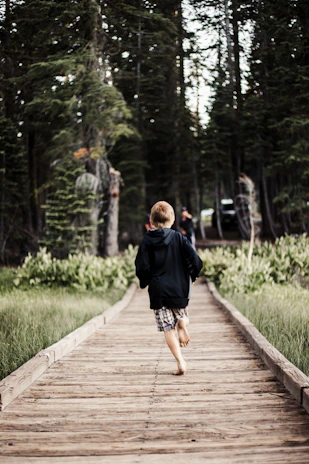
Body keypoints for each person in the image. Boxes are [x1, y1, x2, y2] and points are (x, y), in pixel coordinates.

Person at [135, 201, 203, 375]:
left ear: (152, 220)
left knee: (167, 329)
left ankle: (180, 362)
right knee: (183, 315)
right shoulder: (179, 238)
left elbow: (141, 266)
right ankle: (183, 323)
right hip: (179, 289)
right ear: (172, 220)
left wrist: (144, 281)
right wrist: (193, 275)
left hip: (158, 291)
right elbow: (196, 260)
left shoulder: (147, 240)